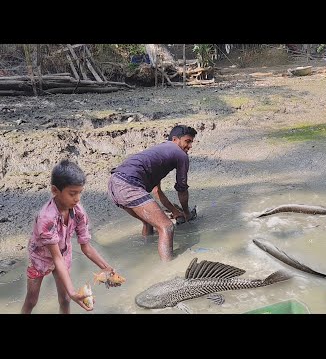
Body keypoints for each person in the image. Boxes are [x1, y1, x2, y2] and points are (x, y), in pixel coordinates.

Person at [21, 159, 118, 314]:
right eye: (72, 193)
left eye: (80, 192)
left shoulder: (78, 211)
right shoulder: (47, 218)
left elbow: (86, 247)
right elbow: (55, 257)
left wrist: (106, 267)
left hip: (63, 253)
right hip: (40, 258)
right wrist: (73, 291)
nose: (77, 198)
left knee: (65, 299)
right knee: (32, 300)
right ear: (55, 190)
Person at [108, 124, 197, 261]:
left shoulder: (159, 152)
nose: (190, 146)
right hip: (129, 184)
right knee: (166, 226)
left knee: (148, 222)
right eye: (187, 141)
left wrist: (174, 210)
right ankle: (168, 268)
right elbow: (182, 189)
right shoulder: (180, 155)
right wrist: (186, 213)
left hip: (114, 183)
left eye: (191, 142)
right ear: (175, 140)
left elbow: (157, 191)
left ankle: (146, 252)